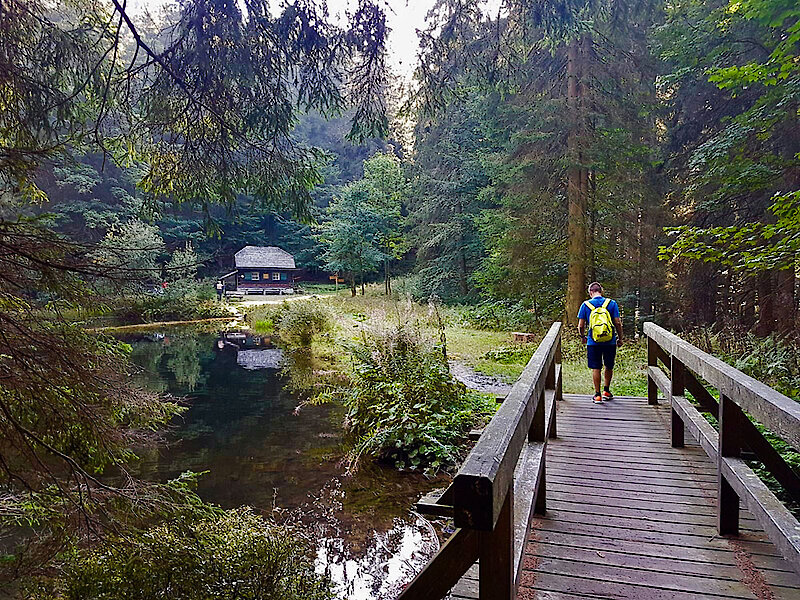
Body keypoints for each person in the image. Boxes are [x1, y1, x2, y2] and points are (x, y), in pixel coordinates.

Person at [577, 282, 624, 404]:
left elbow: (581, 325)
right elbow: (617, 322)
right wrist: (620, 338)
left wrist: (583, 337)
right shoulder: (611, 303)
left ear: (590, 292)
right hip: (610, 341)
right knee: (609, 365)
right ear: (601, 291)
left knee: (596, 367)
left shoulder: (585, 305)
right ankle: (606, 391)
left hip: (593, 342)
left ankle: (597, 395)